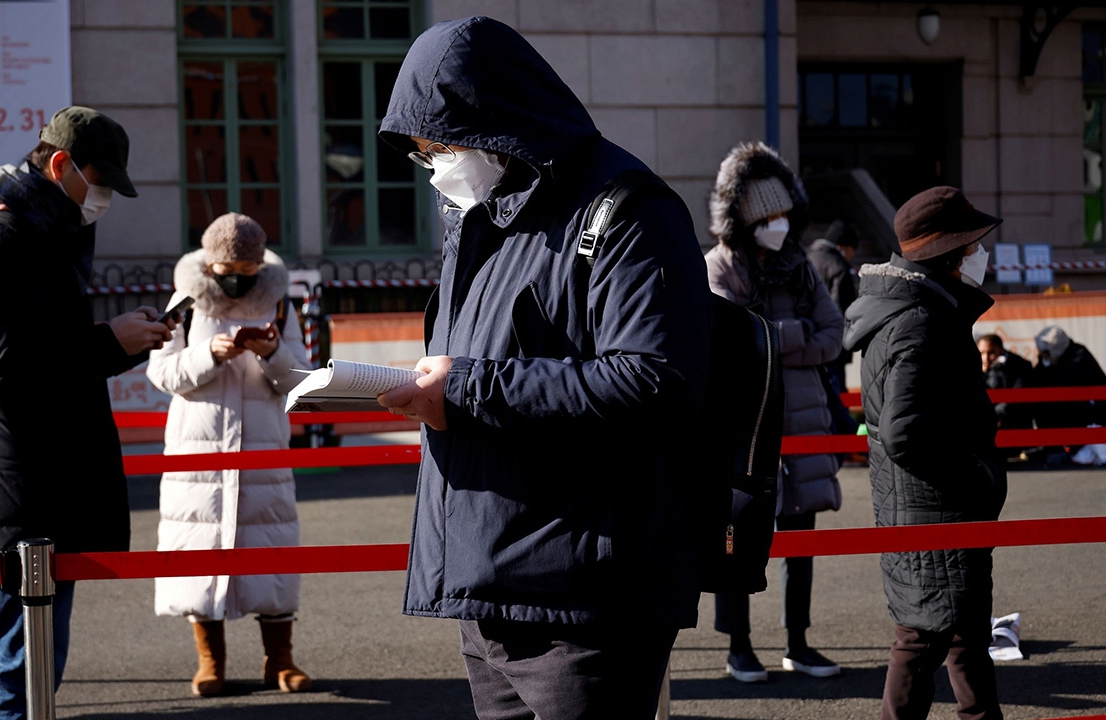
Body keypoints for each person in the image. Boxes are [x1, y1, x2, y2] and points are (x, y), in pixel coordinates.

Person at [374, 16, 714, 719]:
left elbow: (652, 378)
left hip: (587, 597)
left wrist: (462, 390)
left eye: (441, 144)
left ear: (499, 121)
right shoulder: (480, 218)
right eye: (424, 150)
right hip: (490, 586)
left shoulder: (626, 210)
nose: (436, 163)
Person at [0, 106, 174, 719]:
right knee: (21, 674)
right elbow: (6, 366)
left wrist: (121, 342)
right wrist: (106, 342)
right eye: (98, 184)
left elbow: (50, 351)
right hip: (21, 489)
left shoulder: (45, 234)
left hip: (48, 485)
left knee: (38, 664)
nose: (102, 201)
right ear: (58, 165)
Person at [842, 185, 1006, 720]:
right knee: (922, 641)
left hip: (927, 512)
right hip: (935, 511)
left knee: (960, 639)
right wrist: (977, 477)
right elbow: (904, 431)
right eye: (973, 245)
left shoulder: (921, 309)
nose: (981, 254)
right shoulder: (920, 321)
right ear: (951, 253)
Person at [146, 212, 313, 697]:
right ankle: (209, 662)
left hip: (263, 449)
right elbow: (162, 374)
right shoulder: (184, 302)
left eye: (247, 270)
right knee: (199, 554)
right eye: (228, 270)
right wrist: (208, 355)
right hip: (197, 453)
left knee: (272, 550)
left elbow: (299, 379)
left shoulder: (279, 304)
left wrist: (272, 350)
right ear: (210, 263)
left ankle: (279, 660)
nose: (238, 280)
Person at [704, 141, 845, 683]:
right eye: (768, 216)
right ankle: (738, 646)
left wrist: (772, 338)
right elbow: (727, 344)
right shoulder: (717, 266)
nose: (778, 226)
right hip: (745, 424)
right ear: (743, 218)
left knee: (801, 540)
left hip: (803, 422)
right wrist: (794, 335)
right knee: (735, 539)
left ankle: (798, 643)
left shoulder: (802, 268)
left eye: (785, 214)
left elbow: (835, 336)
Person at [808, 221, 862, 440]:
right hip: (833, 346)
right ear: (844, 246)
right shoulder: (838, 265)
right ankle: (845, 442)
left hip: (808, 342)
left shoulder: (807, 259)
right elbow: (842, 309)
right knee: (837, 392)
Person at [1026, 325, 1106, 431]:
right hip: (1056, 425)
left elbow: (1064, 384)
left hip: (1088, 423)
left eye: (1046, 353)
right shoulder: (1048, 361)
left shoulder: (1079, 356)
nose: (1043, 356)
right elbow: (1035, 381)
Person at [977, 333, 1032, 431]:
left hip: (1015, 425)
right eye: (981, 353)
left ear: (1001, 350)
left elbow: (1017, 396)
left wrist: (993, 414)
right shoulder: (974, 366)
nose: (985, 358)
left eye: (991, 353)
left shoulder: (1020, 366)